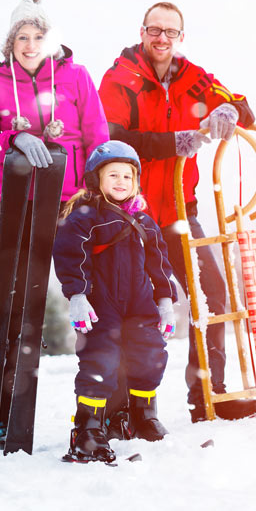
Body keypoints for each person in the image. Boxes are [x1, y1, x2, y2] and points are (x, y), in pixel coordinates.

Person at [97, 1, 256, 423]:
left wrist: (228, 110)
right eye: (155, 30)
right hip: (130, 217)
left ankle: (210, 396)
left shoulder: (193, 78)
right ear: (142, 31)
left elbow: (241, 104)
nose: (162, 38)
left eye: (171, 32)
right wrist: (172, 143)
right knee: (135, 308)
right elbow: (111, 138)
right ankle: (127, 409)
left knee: (212, 296)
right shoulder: (120, 78)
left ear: (181, 37)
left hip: (180, 211)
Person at [0, 0, 108, 448]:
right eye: (22, 36)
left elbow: (98, 141)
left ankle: (104, 413)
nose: (30, 45)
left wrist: (93, 200)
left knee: (96, 302)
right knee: (16, 315)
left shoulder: (76, 77)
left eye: (38, 35)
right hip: (17, 210)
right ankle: (7, 413)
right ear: (10, 43)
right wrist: (11, 138)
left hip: (70, 208)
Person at [53, 140, 178, 463]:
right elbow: (70, 257)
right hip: (101, 304)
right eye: (113, 175)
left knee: (150, 355)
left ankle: (142, 415)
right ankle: (88, 428)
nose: (121, 182)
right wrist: (78, 296)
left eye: (127, 176)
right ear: (96, 179)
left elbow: (160, 264)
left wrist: (165, 301)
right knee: (101, 360)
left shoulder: (145, 222)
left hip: (140, 304)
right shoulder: (85, 217)